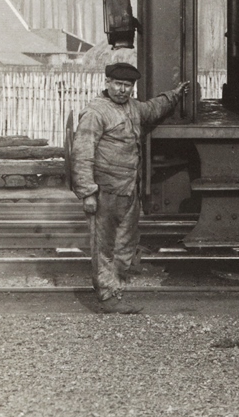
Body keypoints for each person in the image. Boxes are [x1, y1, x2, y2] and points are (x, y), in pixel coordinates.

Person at [70, 62, 190, 312]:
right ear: (107, 83)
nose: (123, 90)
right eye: (118, 84)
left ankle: (116, 290)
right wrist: (87, 193)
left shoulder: (134, 108)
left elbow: (154, 108)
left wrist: (175, 95)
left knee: (125, 244)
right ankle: (107, 296)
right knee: (103, 248)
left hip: (128, 191)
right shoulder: (95, 112)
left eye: (128, 85)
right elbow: (82, 154)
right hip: (104, 192)